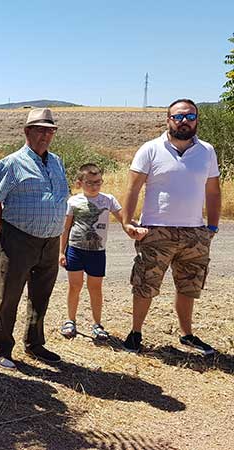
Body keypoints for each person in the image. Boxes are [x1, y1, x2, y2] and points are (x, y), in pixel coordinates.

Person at [120, 98, 220, 356]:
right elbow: (133, 188)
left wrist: (211, 227)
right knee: (145, 284)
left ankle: (187, 335)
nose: (184, 121)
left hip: (194, 232)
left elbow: (213, 190)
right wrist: (127, 221)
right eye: (178, 117)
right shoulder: (150, 149)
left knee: (189, 286)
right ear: (168, 120)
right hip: (156, 229)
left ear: (197, 120)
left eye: (189, 117)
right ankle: (135, 334)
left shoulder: (207, 151)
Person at [0, 108, 70, 370]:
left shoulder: (56, 161)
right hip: (19, 239)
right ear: (27, 131)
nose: (46, 135)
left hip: (51, 239)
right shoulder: (10, 164)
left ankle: (34, 343)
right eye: (40, 129)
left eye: (50, 130)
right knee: (9, 294)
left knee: (41, 294)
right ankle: (3, 347)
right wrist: (9, 231)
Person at [58, 163, 124, 340]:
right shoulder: (73, 201)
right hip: (75, 249)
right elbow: (66, 228)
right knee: (74, 286)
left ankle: (97, 324)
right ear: (80, 183)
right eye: (90, 183)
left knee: (95, 288)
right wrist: (61, 252)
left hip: (97, 251)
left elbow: (123, 218)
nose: (95, 186)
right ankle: (70, 321)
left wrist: (134, 226)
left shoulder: (108, 200)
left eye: (98, 182)